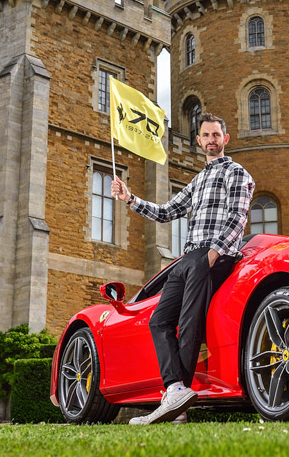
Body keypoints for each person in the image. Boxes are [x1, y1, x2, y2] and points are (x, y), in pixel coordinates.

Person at [110, 113, 255, 424]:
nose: (212, 140)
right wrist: (129, 198)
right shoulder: (198, 180)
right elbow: (166, 212)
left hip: (212, 256)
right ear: (199, 141)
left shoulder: (236, 173)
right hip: (186, 258)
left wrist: (214, 254)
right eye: (206, 135)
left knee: (190, 326)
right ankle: (175, 391)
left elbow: (237, 218)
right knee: (159, 321)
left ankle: (179, 405)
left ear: (225, 139)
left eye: (217, 134)